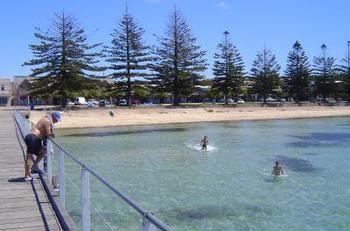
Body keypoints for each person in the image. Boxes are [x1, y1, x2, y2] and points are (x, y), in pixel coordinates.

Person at [24, 111, 61, 181]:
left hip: (34, 138)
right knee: (29, 157)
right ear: (53, 117)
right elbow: (48, 134)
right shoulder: (47, 121)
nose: (56, 121)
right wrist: (53, 135)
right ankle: (27, 176)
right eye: (56, 119)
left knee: (43, 152)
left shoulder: (46, 120)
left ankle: (34, 167)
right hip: (33, 138)